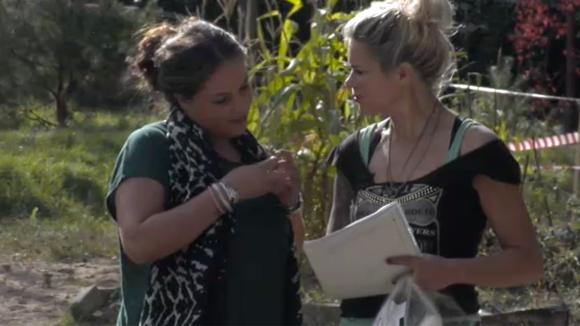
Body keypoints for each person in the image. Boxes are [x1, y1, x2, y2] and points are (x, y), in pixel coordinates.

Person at [327, 0, 543, 324]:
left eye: (359, 72)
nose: (348, 85)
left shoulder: (477, 153)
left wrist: (451, 271)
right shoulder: (354, 152)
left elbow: (528, 262)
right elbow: (333, 259)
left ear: (402, 74)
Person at [106, 17, 303, 326]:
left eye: (244, 88)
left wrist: (292, 202)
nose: (241, 106)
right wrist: (225, 192)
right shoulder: (153, 146)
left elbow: (288, 252)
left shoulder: (252, 155)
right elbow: (139, 243)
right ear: (184, 99)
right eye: (222, 100)